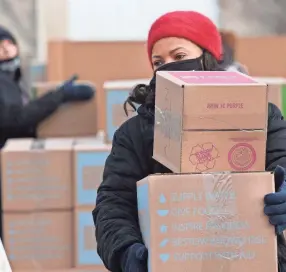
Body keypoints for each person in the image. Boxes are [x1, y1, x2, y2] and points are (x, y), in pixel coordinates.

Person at [93, 11, 286, 272]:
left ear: (207, 57)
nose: (168, 67)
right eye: (158, 61)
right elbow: (114, 203)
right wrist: (126, 252)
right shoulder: (134, 133)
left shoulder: (261, 116)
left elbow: (282, 160)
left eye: (180, 56)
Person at [0, 26, 95, 148]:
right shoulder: (3, 81)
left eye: (9, 44)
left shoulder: (13, 79)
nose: (6, 49)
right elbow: (15, 119)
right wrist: (61, 95)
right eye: (0, 45)